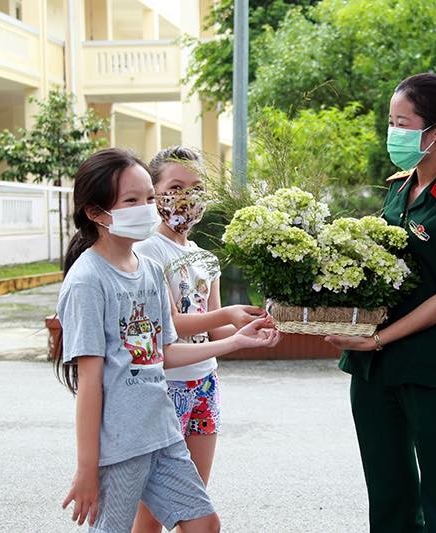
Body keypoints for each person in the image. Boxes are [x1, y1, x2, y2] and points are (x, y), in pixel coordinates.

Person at [54, 148, 279, 532]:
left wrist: (238, 340)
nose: (145, 208)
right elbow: (89, 382)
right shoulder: (87, 281)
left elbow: (163, 353)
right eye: (132, 201)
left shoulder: (150, 271)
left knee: (204, 524)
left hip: (162, 431)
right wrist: (86, 469)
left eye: (147, 199)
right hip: (122, 444)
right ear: (95, 212)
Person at [325, 73, 436, 533]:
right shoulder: (398, 187)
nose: (393, 133)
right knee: (387, 492)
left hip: (428, 369)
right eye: (391, 122)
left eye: (403, 122)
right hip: (372, 369)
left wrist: (379, 339)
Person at [132, 146, 267, 533]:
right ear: (154, 193)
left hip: (205, 385)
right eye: (175, 186)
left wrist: (252, 331)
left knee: (193, 504)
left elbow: (216, 327)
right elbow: (170, 325)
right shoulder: (147, 252)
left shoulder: (206, 258)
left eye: (196, 187)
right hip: (164, 388)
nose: (186, 197)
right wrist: (228, 319)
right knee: (154, 514)